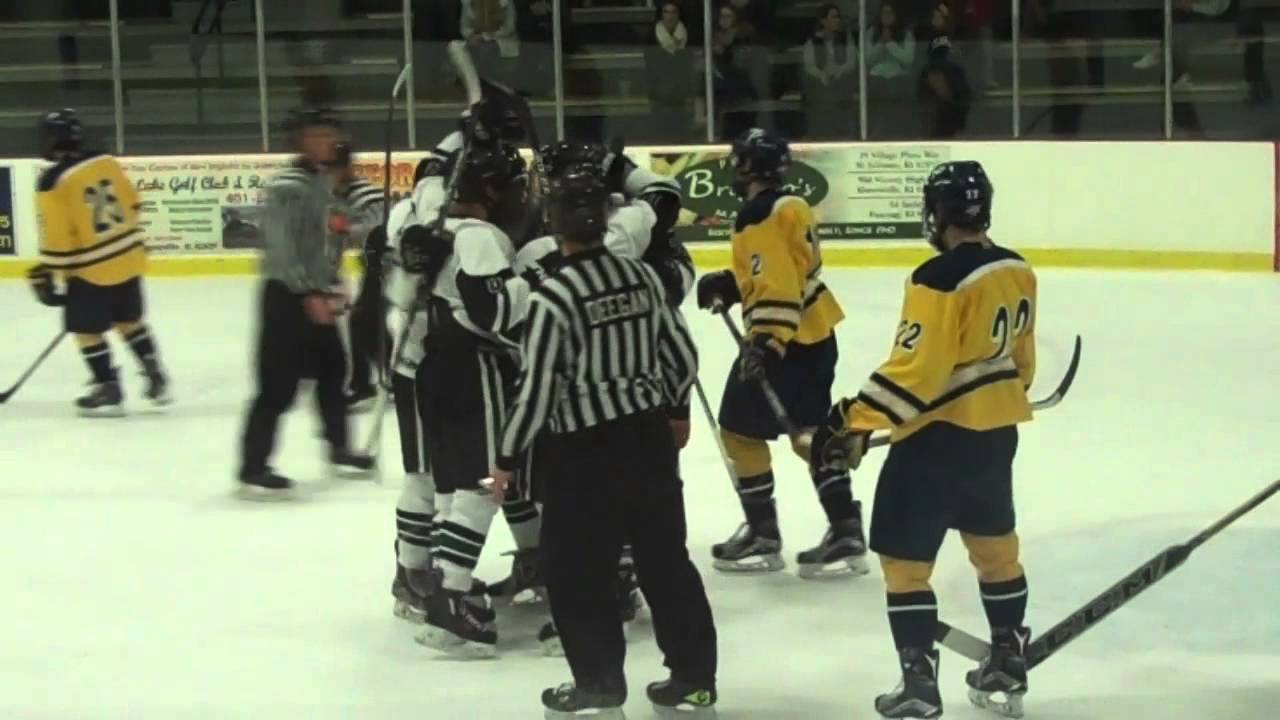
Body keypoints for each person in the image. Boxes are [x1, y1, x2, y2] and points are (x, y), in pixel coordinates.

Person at [808, 160, 1036, 719]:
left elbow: (917, 373)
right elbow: (1021, 364)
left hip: (933, 447)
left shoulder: (935, 278)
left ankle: (918, 684)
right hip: (996, 433)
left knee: (907, 567)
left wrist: (852, 420)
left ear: (937, 213)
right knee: (995, 550)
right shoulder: (1017, 268)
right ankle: (1007, 656)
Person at [489, 167, 718, 719]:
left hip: (583, 455)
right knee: (666, 563)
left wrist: (507, 457)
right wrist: (659, 405)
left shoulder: (554, 297)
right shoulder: (642, 278)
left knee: (575, 571)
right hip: (646, 441)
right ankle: (693, 680)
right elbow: (683, 359)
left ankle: (597, 685)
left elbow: (539, 389)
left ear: (554, 225)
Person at [510, 139, 695, 655]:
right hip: (643, 417)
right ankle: (691, 675)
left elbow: (536, 378)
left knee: (579, 544)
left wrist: (509, 452)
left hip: (581, 429)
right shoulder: (635, 243)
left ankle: (597, 669)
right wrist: (675, 406)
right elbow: (662, 197)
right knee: (660, 546)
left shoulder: (541, 268)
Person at [695, 128, 867, 579]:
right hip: (816, 333)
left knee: (737, 430)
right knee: (809, 432)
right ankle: (846, 527)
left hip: (783, 339)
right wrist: (734, 286)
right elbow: (786, 272)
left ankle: (762, 534)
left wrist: (766, 341)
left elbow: (776, 284)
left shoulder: (758, 215)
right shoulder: (793, 205)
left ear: (749, 167)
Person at [402, 141, 532, 658]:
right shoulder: (480, 236)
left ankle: (441, 589)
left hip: (431, 366)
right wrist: (533, 286)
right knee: (483, 485)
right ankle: (451, 597)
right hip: (472, 369)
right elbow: (492, 312)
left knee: (455, 485)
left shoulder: (430, 228)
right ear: (492, 191)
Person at [236, 108, 379, 498]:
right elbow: (282, 249)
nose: (326, 141)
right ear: (299, 141)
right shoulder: (288, 186)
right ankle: (253, 464)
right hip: (288, 297)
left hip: (317, 293)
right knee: (277, 386)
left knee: (333, 372)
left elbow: (329, 237)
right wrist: (308, 292)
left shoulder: (322, 182)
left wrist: (334, 280)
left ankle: (339, 447)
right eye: (316, 135)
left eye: (330, 134)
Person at [27, 108, 171, 417]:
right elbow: (133, 202)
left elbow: (57, 237)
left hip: (92, 270)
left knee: (86, 331)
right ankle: (154, 371)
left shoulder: (52, 181)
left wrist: (50, 275)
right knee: (128, 320)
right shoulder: (105, 161)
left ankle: (107, 385)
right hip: (130, 256)